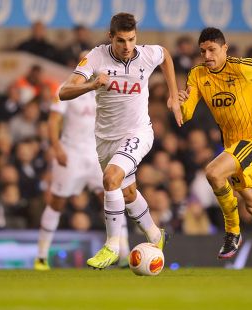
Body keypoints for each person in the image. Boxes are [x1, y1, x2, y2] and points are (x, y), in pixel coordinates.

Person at [58, 13, 182, 269]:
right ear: (110, 37)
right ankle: (157, 236)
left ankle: (112, 246)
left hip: (138, 132)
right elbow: (63, 91)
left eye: (132, 40)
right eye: (121, 41)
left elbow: (166, 56)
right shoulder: (95, 57)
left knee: (110, 179)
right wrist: (92, 85)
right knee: (127, 193)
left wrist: (173, 95)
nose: (127, 47)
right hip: (105, 139)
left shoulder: (147, 54)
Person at [178, 27, 252, 274]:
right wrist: (179, 104)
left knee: (212, 172)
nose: (207, 55)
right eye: (203, 51)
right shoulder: (198, 75)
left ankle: (232, 231)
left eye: (212, 50)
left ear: (225, 48)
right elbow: (187, 112)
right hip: (233, 146)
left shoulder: (241, 67)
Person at [34, 62, 130, 270]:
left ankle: (123, 252)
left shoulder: (107, 89)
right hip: (71, 154)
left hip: (97, 154)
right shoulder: (65, 88)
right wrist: (57, 147)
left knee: (112, 197)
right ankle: (41, 256)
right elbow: (53, 121)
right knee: (57, 202)